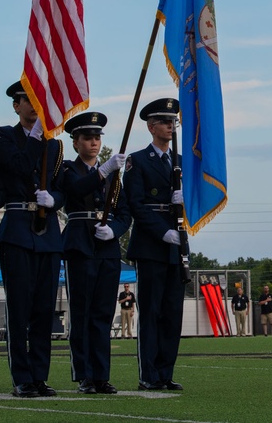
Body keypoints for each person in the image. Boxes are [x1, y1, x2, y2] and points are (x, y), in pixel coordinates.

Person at [0, 81, 65, 398]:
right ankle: (21, 377)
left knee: (44, 310)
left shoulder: (55, 145)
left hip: (47, 234)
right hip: (17, 229)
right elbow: (18, 166)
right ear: (16, 106)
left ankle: (39, 376)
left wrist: (54, 201)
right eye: (26, 100)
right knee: (19, 310)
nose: (33, 105)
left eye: (37, 100)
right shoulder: (3, 136)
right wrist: (37, 136)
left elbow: (59, 188)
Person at [58, 111, 129, 395]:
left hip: (106, 246)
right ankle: (84, 373)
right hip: (80, 243)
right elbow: (74, 190)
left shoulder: (112, 174)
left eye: (97, 137)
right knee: (83, 311)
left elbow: (123, 211)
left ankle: (101, 374)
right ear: (75, 142)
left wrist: (115, 229)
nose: (94, 142)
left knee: (103, 313)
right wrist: (103, 171)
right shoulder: (67, 169)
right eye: (87, 138)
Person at [123, 98, 187, 391]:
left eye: (172, 121)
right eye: (164, 122)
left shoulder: (180, 162)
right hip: (152, 243)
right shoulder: (138, 160)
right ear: (151, 127)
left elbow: (194, 203)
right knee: (151, 312)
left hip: (177, 244)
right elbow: (136, 205)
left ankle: (165, 372)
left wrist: (186, 205)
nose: (170, 126)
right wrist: (162, 232)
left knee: (172, 312)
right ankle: (148, 373)